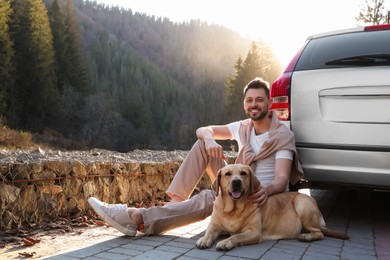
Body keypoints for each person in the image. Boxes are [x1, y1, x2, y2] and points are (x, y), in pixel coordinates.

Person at [88, 77, 304, 236]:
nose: (254, 104)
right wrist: (210, 140)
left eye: (259, 100)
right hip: (236, 183)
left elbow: (281, 180)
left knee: (210, 197)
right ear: (244, 104)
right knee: (202, 144)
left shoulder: (281, 135)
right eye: (249, 100)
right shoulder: (243, 128)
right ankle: (171, 206)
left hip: (258, 196)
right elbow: (203, 129)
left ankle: (138, 217)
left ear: (269, 104)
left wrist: (263, 190)